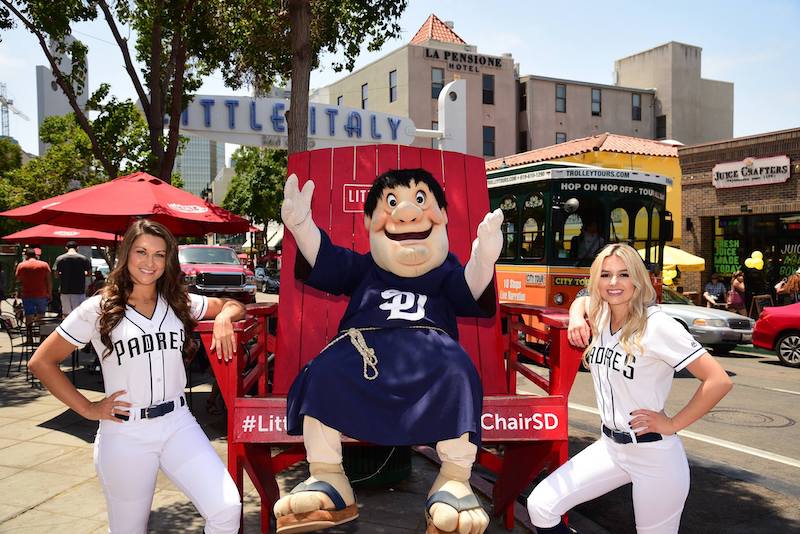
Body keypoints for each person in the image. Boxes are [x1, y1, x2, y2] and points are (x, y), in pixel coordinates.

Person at [274, 170, 502, 533]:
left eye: (421, 200)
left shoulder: (445, 272)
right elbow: (328, 258)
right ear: (369, 222)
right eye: (392, 202)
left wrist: (483, 261)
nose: (408, 213)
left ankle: (454, 480)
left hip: (432, 367)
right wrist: (302, 226)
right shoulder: (365, 268)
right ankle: (329, 477)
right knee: (323, 371)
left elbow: (468, 288)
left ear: (442, 214)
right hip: (363, 359)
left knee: (459, 371)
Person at [29, 219, 245, 533]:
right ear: (126, 253)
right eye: (141, 251)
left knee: (227, 508)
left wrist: (224, 316)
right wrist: (88, 409)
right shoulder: (98, 308)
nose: (150, 262)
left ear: (168, 260)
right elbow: (42, 362)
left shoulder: (177, 301)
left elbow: (233, 305)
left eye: (159, 254)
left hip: (178, 423)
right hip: (126, 432)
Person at [527, 243, 732, 534]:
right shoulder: (600, 315)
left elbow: (719, 380)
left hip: (654, 456)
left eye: (623, 274)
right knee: (541, 505)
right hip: (610, 448)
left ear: (638, 278)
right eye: (605, 274)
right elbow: (583, 301)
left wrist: (672, 423)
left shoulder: (658, 325)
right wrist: (575, 316)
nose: (613, 283)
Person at [15, 248, 53, 343]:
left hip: (27, 294)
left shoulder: (21, 265)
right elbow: (48, 280)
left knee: (29, 316)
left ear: (26, 256)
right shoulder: (44, 265)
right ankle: (42, 337)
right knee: (41, 316)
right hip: (41, 294)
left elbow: (17, 280)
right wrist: (49, 293)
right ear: (35, 255)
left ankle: (29, 337)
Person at [53, 240, 92, 317]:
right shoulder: (83, 259)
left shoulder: (60, 259)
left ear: (66, 248)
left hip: (65, 290)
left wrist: (63, 274)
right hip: (79, 291)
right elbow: (89, 273)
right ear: (77, 248)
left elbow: (56, 275)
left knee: (66, 314)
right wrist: (82, 274)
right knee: (79, 313)